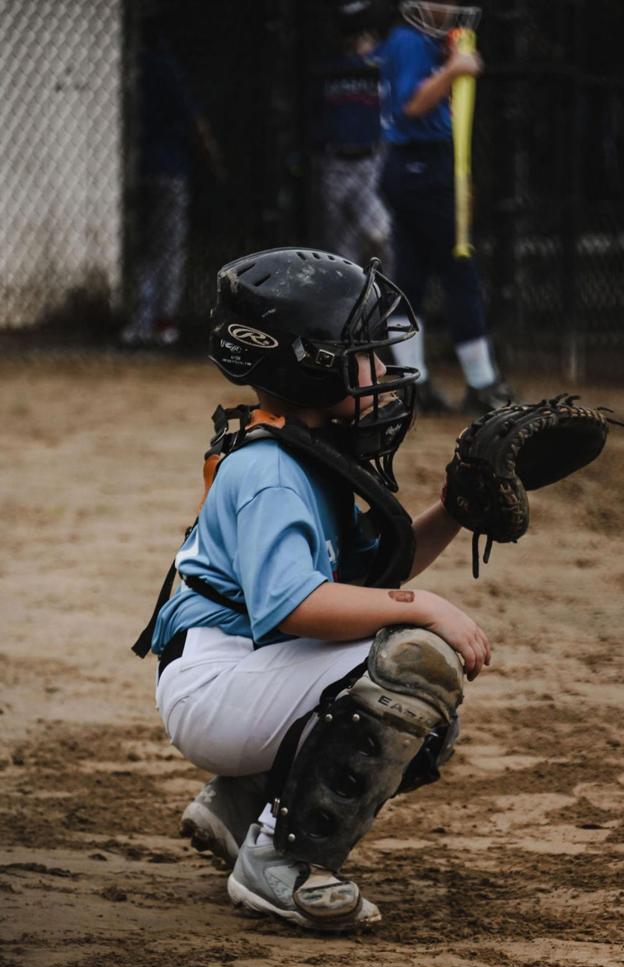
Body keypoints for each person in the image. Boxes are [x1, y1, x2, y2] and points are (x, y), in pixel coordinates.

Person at [136, 247, 490, 932]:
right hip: (216, 685)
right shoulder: (270, 471)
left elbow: (371, 578)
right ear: (310, 364)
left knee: (424, 710)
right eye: (366, 355)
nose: (384, 370)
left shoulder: (304, 451)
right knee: (412, 666)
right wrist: (425, 607)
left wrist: (452, 511)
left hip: (243, 670)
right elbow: (297, 607)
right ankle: (282, 860)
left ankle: (242, 803)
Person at [375, 0, 513, 414]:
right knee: (459, 270)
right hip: (420, 165)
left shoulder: (425, 41)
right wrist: (455, 70)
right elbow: (412, 105)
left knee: (411, 276)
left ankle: (412, 382)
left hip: (424, 165)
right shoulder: (409, 41)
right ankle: (482, 382)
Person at [120, 13, 225, 349]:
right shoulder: (167, 67)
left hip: (135, 168)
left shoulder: (130, 65)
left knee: (144, 249)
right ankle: (164, 322)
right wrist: (215, 163)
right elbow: (194, 121)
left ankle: (141, 320)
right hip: (169, 168)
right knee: (168, 247)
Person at [314, 1, 392, 269]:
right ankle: (350, 294)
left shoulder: (381, 58)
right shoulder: (328, 62)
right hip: (334, 161)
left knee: (379, 233)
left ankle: (386, 290)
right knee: (340, 248)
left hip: (371, 160)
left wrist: (369, 49)